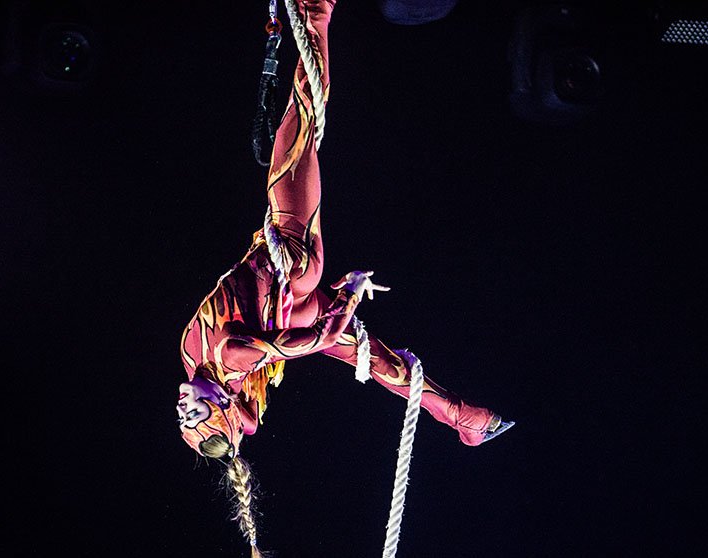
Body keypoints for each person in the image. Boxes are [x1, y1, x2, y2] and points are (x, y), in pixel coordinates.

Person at [175, 2, 513, 555]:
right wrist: (346, 302)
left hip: (293, 298)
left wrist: (336, 317)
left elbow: (290, 346)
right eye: (199, 417)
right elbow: (309, 344)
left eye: (183, 420)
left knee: (379, 362)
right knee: (302, 125)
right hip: (293, 259)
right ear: (223, 404)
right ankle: (315, 13)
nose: (184, 410)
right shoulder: (228, 360)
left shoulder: (196, 362)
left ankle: (463, 417)